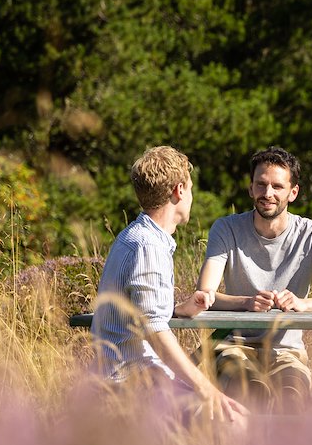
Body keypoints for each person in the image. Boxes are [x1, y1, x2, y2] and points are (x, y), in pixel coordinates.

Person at [91, 145, 248, 425]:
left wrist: (177, 310)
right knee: (235, 422)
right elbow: (154, 331)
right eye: (190, 188)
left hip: (131, 376)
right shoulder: (149, 246)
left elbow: (139, 312)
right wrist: (207, 389)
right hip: (131, 383)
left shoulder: (137, 237)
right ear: (179, 190)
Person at [197, 146, 312, 414]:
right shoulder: (226, 229)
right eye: (260, 185)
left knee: (291, 402)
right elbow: (204, 295)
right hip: (234, 347)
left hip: (287, 352)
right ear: (250, 189)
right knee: (251, 393)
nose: (267, 193)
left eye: (277, 186)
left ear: (293, 193)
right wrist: (247, 302)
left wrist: (303, 304)